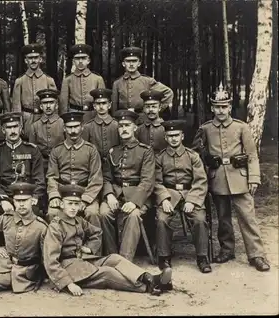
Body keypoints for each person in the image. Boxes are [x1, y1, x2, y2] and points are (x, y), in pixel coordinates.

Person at [43, 184, 173, 297]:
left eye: (76, 204)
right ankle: (149, 286)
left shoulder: (78, 220)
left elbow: (96, 232)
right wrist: (68, 283)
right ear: (61, 204)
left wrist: (89, 248)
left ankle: (149, 277)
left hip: (82, 260)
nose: (73, 208)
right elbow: (50, 262)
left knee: (114, 258)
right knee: (107, 273)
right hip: (70, 270)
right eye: (69, 203)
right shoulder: (56, 227)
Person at [192, 84, 270, 272]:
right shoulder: (206, 129)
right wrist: (205, 158)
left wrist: (253, 178)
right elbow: (195, 152)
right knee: (223, 217)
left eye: (224, 106)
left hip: (240, 178)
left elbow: (251, 154)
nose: (221, 110)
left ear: (229, 107)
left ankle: (256, 254)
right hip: (217, 177)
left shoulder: (241, 127)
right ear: (212, 108)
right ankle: (227, 250)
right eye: (217, 106)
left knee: (247, 216)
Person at [154, 120, 212, 273]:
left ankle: (202, 257)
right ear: (165, 138)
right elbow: (157, 182)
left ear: (182, 136)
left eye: (176, 135)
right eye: (170, 136)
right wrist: (164, 199)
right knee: (162, 219)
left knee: (199, 220)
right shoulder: (160, 158)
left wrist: (192, 200)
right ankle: (164, 257)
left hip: (190, 193)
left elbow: (200, 180)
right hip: (169, 195)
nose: (173, 139)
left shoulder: (192, 156)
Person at [102, 110, 155, 261]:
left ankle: (125, 260)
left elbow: (147, 181)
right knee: (104, 213)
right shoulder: (113, 151)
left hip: (138, 195)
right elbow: (106, 177)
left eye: (127, 125)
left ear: (135, 128)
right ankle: (111, 257)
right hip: (117, 194)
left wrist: (134, 202)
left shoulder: (145, 151)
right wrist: (110, 195)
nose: (124, 129)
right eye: (121, 126)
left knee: (133, 215)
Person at [46, 112, 104, 233]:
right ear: (64, 128)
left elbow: (96, 178)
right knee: (53, 212)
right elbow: (52, 177)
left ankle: (94, 249)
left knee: (92, 213)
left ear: (82, 127)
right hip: (63, 193)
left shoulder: (91, 150)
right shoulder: (56, 150)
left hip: (85, 191)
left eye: (76, 126)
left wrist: (85, 199)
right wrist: (54, 196)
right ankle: (56, 249)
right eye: (69, 127)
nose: (73, 131)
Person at [81, 88, 120, 254]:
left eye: (104, 103)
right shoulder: (88, 127)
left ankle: (112, 250)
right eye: (98, 104)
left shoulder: (118, 126)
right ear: (94, 106)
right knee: (96, 212)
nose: (101, 106)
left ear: (110, 105)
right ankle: (97, 249)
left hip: (115, 172)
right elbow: (86, 151)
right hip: (95, 172)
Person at [0, 112, 46, 218]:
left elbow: (39, 180)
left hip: (27, 196)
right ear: (3, 130)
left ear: (20, 128)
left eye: (15, 126)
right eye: (9, 128)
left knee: (36, 216)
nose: (13, 131)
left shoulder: (32, 150)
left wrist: (34, 197)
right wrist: (3, 200)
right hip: (6, 196)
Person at [111, 46, 173, 122]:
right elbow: (114, 109)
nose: (131, 64)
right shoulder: (117, 83)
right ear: (123, 64)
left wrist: (154, 110)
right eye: (128, 61)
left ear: (139, 63)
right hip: (124, 122)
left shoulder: (147, 81)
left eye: (134, 61)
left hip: (143, 121)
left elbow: (168, 93)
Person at [12, 43, 57, 136]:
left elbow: (55, 105)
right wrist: (19, 125)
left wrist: (54, 122)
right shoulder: (20, 81)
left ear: (40, 59)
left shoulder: (49, 80)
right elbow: (16, 107)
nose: (33, 61)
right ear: (26, 60)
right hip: (27, 120)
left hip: (45, 118)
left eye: (36, 57)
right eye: (30, 58)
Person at [60, 44, 106, 122]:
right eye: (77, 59)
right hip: (74, 116)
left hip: (93, 116)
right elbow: (63, 104)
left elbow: (103, 102)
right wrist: (65, 120)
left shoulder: (97, 79)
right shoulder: (68, 80)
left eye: (83, 58)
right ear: (73, 61)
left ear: (88, 61)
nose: (80, 61)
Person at [29, 88, 65, 173]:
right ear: (41, 106)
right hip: (41, 164)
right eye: (45, 103)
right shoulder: (35, 126)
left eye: (51, 102)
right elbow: (32, 151)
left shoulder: (63, 123)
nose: (48, 106)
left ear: (56, 105)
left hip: (61, 163)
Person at [135, 90, 168, 154]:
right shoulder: (139, 130)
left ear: (160, 108)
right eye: (147, 107)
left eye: (154, 106)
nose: (150, 110)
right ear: (144, 108)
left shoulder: (166, 128)